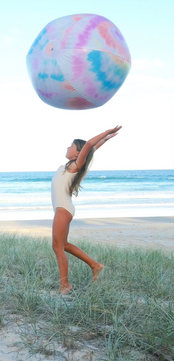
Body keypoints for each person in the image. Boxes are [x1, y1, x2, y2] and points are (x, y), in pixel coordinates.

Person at [51, 126, 122, 294]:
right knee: (64, 245)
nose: (68, 147)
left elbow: (89, 145)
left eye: (71, 146)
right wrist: (106, 140)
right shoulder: (68, 166)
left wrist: (106, 132)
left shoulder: (75, 166)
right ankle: (95, 265)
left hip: (63, 209)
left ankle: (65, 285)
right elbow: (91, 149)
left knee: (57, 247)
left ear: (78, 154)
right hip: (63, 209)